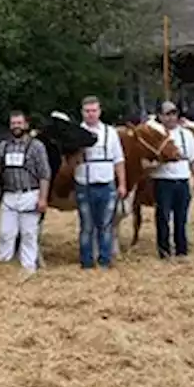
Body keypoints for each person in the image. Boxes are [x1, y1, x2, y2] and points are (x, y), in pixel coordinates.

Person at [0, 111, 50, 275]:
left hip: (30, 193)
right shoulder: (3, 146)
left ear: (26, 125)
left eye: (19, 123)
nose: (16, 126)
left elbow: (45, 174)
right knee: (5, 233)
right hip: (9, 194)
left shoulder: (37, 146)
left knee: (28, 234)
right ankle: (4, 267)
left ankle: (28, 268)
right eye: (13, 123)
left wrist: (43, 199)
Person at [74, 97, 126, 269]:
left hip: (106, 183)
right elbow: (70, 160)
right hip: (84, 183)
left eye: (94, 110)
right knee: (87, 225)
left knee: (105, 224)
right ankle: (86, 261)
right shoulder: (76, 132)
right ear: (82, 112)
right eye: (87, 111)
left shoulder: (110, 132)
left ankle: (104, 260)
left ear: (99, 111)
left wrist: (122, 183)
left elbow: (118, 159)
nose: (90, 114)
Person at [149, 102, 194, 259]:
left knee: (181, 218)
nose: (171, 117)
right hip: (163, 180)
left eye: (174, 113)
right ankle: (164, 250)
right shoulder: (155, 135)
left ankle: (181, 250)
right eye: (167, 114)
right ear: (160, 116)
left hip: (182, 180)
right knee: (163, 217)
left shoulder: (186, 135)